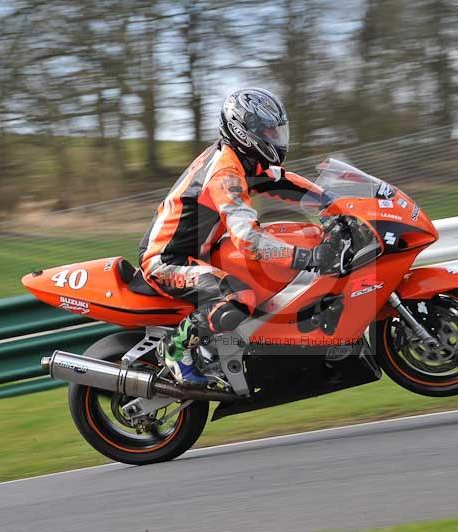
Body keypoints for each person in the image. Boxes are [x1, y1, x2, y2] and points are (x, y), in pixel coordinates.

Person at [139, 88, 337, 386]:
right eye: (269, 131)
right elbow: (247, 237)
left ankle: (227, 350)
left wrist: (333, 204)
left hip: (198, 253)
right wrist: (304, 257)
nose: (276, 137)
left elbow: (282, 182)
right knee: (238, 296)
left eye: (277, 130)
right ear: (244, 131)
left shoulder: (242, 158)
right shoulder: (225, 173)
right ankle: (176, 349)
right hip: (166, 260)